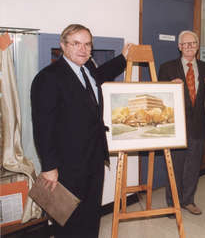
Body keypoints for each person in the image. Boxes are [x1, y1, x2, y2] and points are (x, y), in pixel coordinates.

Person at [31, 24, 132, 238]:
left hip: (94, 159)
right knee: (68, 220)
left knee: (90, 214)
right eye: (76, 43)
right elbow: (43, 127)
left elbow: (103, 73)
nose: (83, 49)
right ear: (63, 45)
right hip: (67, 166)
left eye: (87, 44)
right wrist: (49, 167)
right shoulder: (48, 78)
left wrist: (123, 57)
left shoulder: (88, 70)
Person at [158, 30, 205, 216]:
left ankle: (188, 200)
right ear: (179, 47)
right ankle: (172, 203)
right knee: (174, 167)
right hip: (176, 127)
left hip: (198, 126)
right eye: (184, 44)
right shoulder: (167, 68)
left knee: (193, 166)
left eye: (192, 43)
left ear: (197, 46)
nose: (188, 47)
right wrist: (169, 86)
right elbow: (159, 97)